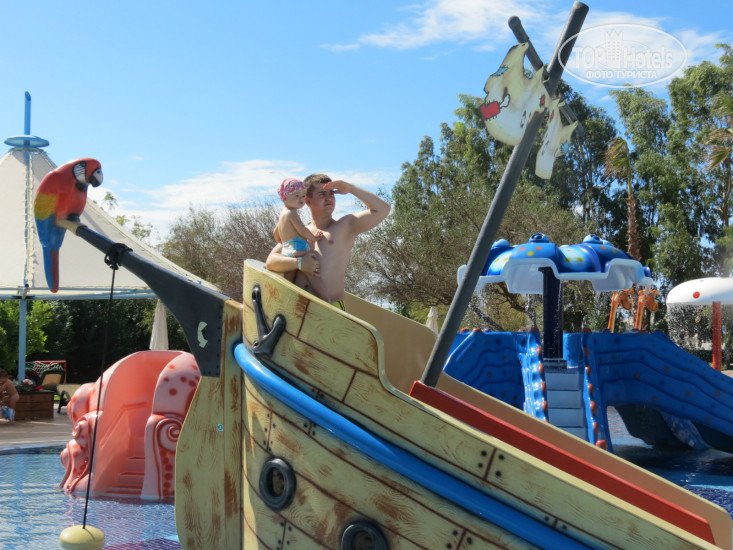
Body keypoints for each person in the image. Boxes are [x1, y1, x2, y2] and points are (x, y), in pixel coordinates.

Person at [265, 173, 390, 310]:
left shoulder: (345, 226)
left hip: (330, 309)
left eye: (331, 193)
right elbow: (271, 262)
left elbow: (383, 209)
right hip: (296, 309)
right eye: (322, 194)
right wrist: (299, 263)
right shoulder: (299, 231)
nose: (329, 198)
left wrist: (351, 188)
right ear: (307, 200)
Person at [273, 178, 324, 282]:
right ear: (285, 198)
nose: (301, 199)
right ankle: (316, 276)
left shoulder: (283, 213)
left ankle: (286, 286)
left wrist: (281, 241)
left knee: (289, 275)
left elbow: (276, 232)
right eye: (296, 195)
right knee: (311, 260)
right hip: (297, 248)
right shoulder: (292, 213)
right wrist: (314, 238)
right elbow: (302, 230)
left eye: (303, 195)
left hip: (287, 248)